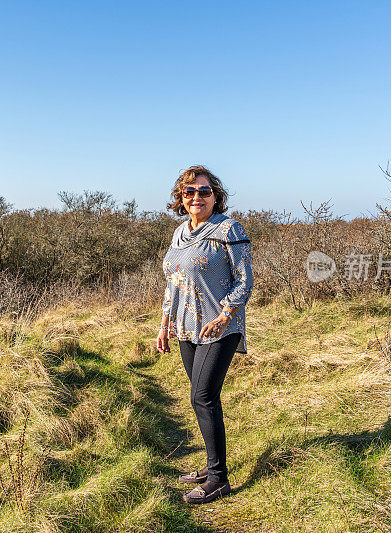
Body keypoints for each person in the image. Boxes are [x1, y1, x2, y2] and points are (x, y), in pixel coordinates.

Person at [156, 165, 253, 505]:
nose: (197, 197)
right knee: (201, 398)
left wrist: (226, 315)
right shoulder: (178, 233)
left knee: (203, 396)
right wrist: (165, 322)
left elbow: (245, 280)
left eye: (204, 191)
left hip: (218, 327)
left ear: (216, 196)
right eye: (189, 192)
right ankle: (212, 466)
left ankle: (218, 479)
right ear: (180, 198)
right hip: (185, 327)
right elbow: (174, 282)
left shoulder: (229, 229)